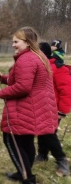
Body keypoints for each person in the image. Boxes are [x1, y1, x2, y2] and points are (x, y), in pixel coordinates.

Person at [0, 27, 58, 184]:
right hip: (34, 108)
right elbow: (24, 78)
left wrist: (2, 93)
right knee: (26, 142)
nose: (13, 45)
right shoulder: (38, 56)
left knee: (12, 141)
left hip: (25, 108)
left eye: (16, 42)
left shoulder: (26, 59)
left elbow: (23, 87)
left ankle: (27, 179)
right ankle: (23, 172)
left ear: (27, 42)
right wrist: (4, 79)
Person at [36, 42, 70, 176]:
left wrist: (62, 111)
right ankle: (42, 155)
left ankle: (62, 161)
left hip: (54, 108)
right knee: (42, 130)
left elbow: (67, 91)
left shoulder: (58, 67)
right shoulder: (39, 67)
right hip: (41, 106)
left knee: (49, 133)